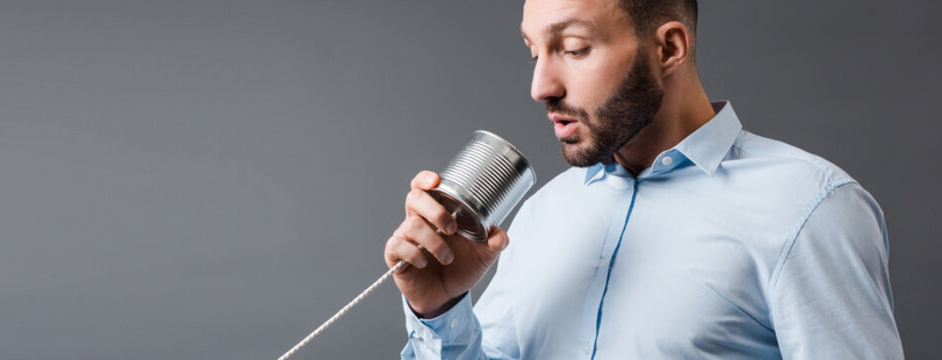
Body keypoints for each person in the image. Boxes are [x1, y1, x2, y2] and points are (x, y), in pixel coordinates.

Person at [382, 0, 904, 358]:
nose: (540, 85)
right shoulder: (543, 213)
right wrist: (440, 310)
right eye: (534, 51)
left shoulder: (809, 209)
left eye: (574, 48)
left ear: (669, 49)